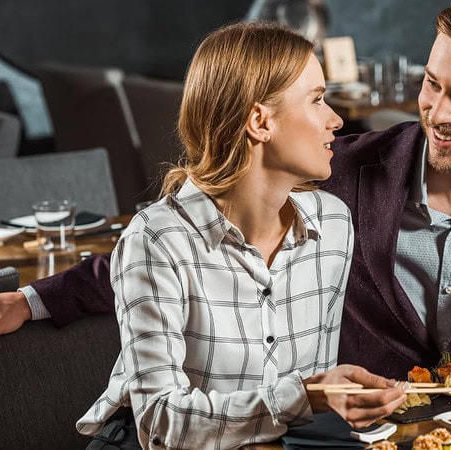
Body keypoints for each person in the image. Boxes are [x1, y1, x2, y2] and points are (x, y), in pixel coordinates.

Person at [0, 0, 451, 384]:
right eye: (430, 84)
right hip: (357, 431)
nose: (435, 111)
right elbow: (189, 233)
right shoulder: (349, 169)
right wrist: (33, 300)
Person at [73, 22, 404, 449]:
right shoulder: (157, 239)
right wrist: (303, 398)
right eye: (317, 100)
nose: (336, 119)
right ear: (260, 121)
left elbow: (305, 421)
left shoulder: (333, 225)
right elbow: (159, 422)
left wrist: (328, 401)